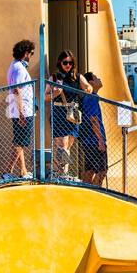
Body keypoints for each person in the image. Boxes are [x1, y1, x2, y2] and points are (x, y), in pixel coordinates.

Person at [47, 50, 89, 178]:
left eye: (70, 63)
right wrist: (55, 94)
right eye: (65, 62)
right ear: (60, 62)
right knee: (62, 145)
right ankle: (62, 173)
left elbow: (88, 87)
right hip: (59, 112)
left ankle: (59, 171)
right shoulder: (54, 77)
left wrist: (85, 90)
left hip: (73, 114)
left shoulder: (77, 76)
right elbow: (45, 96)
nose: (68, 65)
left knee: (68, 145)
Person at [6, 39, 35, 179]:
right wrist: (22, 113)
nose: (31, 56)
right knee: (20, 142)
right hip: (22, 110)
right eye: (31, 53)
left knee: (19, 142)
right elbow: (17, 89)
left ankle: (23, 170)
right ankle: (8, 171)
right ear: (25, 53)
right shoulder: (18, 68)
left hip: (19, 109)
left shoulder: (14, 65)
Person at [78, 72, 108, 187]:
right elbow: (93, 119)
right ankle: (96, 190)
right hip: (94, 140)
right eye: (96, 78)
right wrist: (100, 140)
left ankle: (86, 190)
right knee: (102, 169)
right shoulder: (92, 97)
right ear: (90, 82)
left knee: (90, 169)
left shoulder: (88, 97)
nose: (99, 79)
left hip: (88, 140)